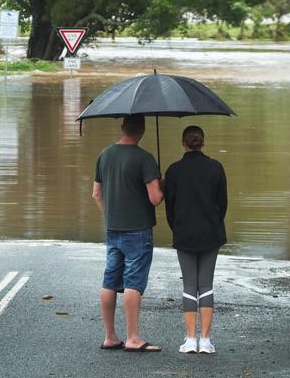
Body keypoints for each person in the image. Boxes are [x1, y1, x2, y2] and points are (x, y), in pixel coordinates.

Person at [92, 114, 164, 352]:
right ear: (142, 130)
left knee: (110, 281)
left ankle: (110, 336)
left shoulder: (104, 154)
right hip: (138, 230)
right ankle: (133, 338)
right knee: (133, 282)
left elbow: (96, 194)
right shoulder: (145, 159)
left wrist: (110, 213)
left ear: (123, 128)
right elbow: (155, 199)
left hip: (113, 228)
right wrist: (161, 186)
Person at [164, 125, 227, 354]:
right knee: (206, 285)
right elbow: (223, 204)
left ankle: (190, 340)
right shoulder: (216, 168)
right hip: (210, 233)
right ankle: (206, 341)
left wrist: (178, 228)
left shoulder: (173, 171)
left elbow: (169, 208)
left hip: (185, 234)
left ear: (183, 143)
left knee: (189, 285)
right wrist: (214, 223)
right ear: (203, 142)